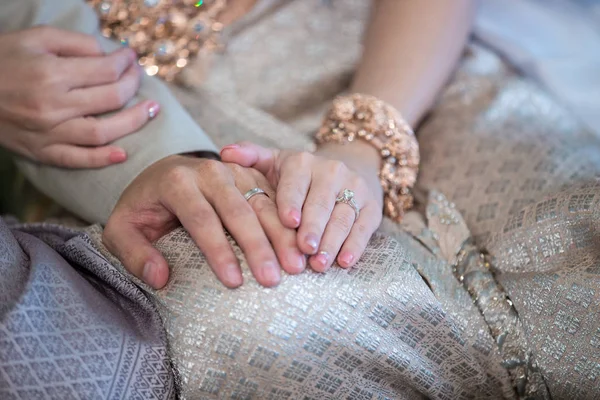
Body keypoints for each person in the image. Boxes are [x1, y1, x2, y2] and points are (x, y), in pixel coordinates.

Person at [1, 1, 599, 399]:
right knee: (256, 317)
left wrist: (366, 139)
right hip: (124, 138)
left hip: (383, 61)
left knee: (575, 229)